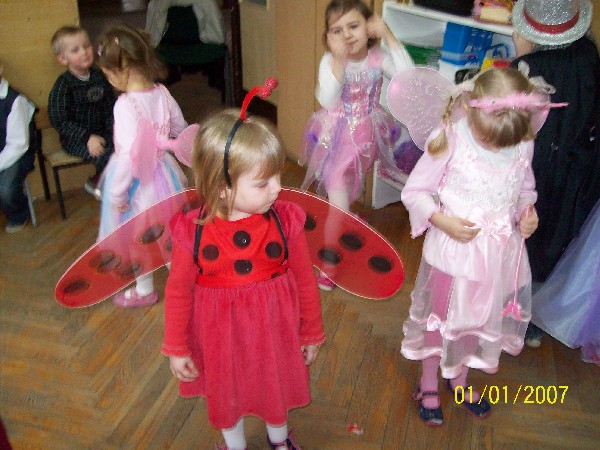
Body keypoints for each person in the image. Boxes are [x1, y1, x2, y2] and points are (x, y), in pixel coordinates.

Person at [162, 108, 325, 450]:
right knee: (226, 390)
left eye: (278, 176)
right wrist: (177, 346)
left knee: (274, 382)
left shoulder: (286, 221)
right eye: (264, 182)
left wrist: (311, 330)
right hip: (219, 337)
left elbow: (305, 280)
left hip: (275, 330)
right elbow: (178, 292)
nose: (278, 188)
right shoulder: (192, 232)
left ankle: (279, 440)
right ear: (222, 188)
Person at [400, 67, 547, 426]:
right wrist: (442, 220)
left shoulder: (521, 141)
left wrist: (526, 214)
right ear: (470, 109)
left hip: (497, 257)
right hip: (454, 255)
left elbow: (523, 189)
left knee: (475, 320)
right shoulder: (451, 137)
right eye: (490, 140)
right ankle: (429, 380)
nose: (498, 148)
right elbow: (415, 192)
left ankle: (459, 377)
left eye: (504, 143)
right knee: (440, 319)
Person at [299, 0, 414, 291]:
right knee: (337, 205)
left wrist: (389, 35)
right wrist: (339, 62)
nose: (347, 35)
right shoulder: (330, 61)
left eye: (353, 26)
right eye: (337, 30)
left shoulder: (377, 57)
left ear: (369, 27)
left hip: (367, 139)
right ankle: (329, 261)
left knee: (355, 183)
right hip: (336, 142)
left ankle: (347, 213)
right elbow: (327, 99)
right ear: (328, 37)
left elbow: (408, 78)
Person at [510, 0, 600, 348]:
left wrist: (521, 57)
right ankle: (542, 309)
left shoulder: (527, 69)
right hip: (580, 166)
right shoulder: (589, 58)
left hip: (534, 169)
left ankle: (519, 316)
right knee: (558, 238)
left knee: (524, 240)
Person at [96, 25, 188, 308]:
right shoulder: (162, 93)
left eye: (108, 75)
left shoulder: (125, 105)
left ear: (118, 71)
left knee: (139, 238)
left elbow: (128, 159)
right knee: (168, 235)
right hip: (165, 177)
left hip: (137, 185)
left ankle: (147, 289)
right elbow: (180, 128)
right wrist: (165, 141)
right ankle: (186, 287)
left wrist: (117, 195)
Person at [48, 26, 116, 199]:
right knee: (104, 155)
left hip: (103, 132)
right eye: (75, 50)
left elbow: (110, 108)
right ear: (63, 59)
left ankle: (112, 187)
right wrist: (87, 138)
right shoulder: (64, 85)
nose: (84, 52)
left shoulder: (99, 76)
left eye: (86, 46)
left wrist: (116, 131)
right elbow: (60, 121)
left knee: (123, 150)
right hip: (77, 139)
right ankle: (101, 187)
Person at [0, 58, 36, 233]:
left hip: (18, 155)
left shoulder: (14, 100)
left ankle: (19, 214)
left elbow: (18, 144)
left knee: (5, 189)